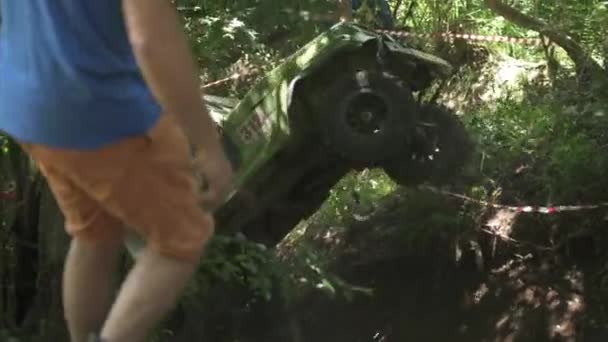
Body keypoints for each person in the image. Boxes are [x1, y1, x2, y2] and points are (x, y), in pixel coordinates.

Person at [0, 1, 233, 342]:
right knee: (181, 241)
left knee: (95, 234)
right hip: (102, 113)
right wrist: (209, 147)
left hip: (26, 106)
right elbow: (152, 41)